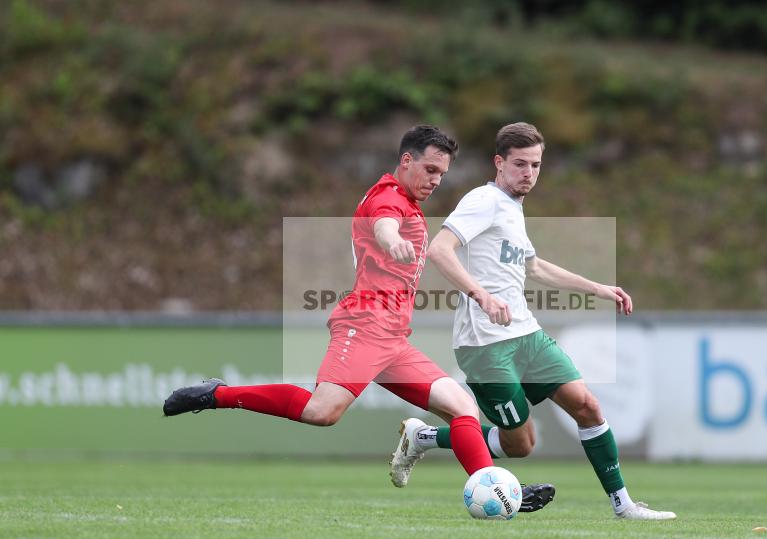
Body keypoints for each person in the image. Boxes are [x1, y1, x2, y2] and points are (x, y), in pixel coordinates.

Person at [162, 125, 548, 511]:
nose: (436, 180)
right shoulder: (388, 197)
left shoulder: (407, 202)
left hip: (393, 338)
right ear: (407, 160)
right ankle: (217, 396)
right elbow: (384, 224)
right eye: (430, 169)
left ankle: (492, 485)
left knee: (462, 407)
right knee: (322, 412)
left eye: (442, 174)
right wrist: (391, 240)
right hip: (365, 326)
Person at [390, 122, 676, 520]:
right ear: (499, 163)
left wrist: (598, 288)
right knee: (521, 445)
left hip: (526, 335)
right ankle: (424, 436)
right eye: (520, 164)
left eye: (536, 165)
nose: (529, 173)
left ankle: (623, 505)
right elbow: (440, 250)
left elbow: (534, 268)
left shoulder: (513, 209)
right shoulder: (483, 201)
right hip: (485, 345)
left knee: (588, 406)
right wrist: (482, 295)